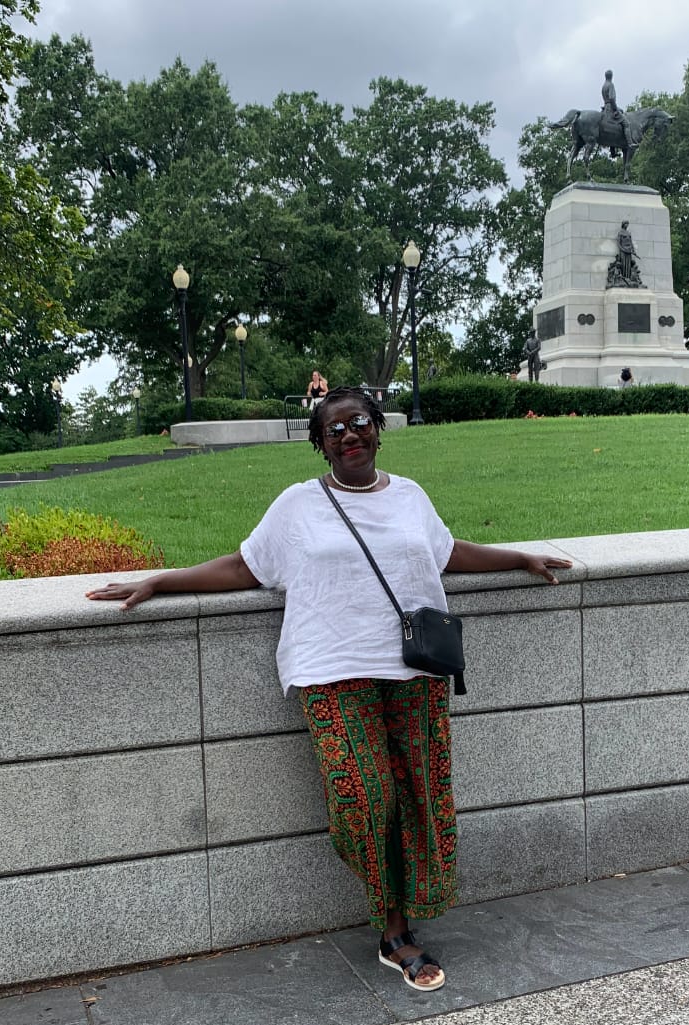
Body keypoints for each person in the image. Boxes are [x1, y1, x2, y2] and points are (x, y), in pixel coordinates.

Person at [85, 386, 571, 993]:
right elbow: (244, 566)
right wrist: (161, 582)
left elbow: (447, 554)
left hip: (416, 670)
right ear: (320, 444)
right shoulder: (298, 505)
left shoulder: (410, 496)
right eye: (334, 430)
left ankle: (407, 914)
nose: (349, 435)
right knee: (364, 798)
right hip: (331, 671)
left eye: (359, 422)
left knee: (419, 795)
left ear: (377, 428)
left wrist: (519, 558)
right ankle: (393, 930)